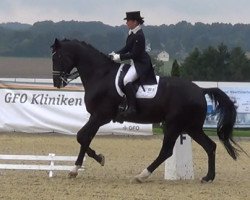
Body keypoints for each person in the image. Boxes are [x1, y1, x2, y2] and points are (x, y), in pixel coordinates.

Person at [110, 11, 156, 117]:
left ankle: (132, 107)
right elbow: (126, 48)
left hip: (141, 64)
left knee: (126, 80)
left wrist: (120, 57)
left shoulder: (139, 35)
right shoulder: (132, 33)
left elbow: (135, 54)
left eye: (128, 21)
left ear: (135, 21)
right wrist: (115, 53)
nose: (127, 23)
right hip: (134, 62)